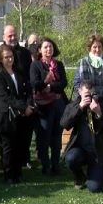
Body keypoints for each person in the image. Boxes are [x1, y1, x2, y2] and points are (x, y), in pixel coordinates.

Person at [60, 80, 103, 192]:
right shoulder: (74, 105)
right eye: (86, 95)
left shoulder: (102, 105)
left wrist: (99, 113)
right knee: (71, 158)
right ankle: (80, 177)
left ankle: (101, 172)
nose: (89, 98)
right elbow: (64, 124)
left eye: (92, 94)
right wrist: (79, 108)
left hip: (97, 153)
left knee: (94, 188)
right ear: (79, 92)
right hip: (80, 150)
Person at [0, 44, 34, 184]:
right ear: (0, 59)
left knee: (19, 146)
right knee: (8, 148)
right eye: (6, 57)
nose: (10, 59)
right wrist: (23, 107)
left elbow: (27, 90)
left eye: (11, 56)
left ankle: (18, 173)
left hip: (22, 116)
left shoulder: (19, 71)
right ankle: (9, 175)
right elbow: (5, 97)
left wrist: (28, 105)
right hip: (7, 116)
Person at [30, 37, 67, 176]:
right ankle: (45, 165)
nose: (48, 49)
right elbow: (35, 84)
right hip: (43, 107)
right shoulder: (35, 65)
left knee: (57, 136)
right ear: (40, 50)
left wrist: (50, 86)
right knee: (44, 136)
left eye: (50, 46)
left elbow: (63, 83)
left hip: (58, 104)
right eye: (45, 47)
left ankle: (56, 165)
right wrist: (45, 81)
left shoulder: (59, 64)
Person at [72, 34, 103, 103]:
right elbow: (81, 83)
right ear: (90, 48)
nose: (97, 49)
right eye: (94, 47)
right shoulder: (84, 62)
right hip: (88, 100)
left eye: (99, 47)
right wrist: (91, 98)